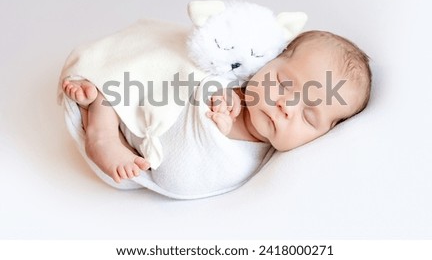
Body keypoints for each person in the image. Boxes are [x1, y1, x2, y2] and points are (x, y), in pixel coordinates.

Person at [62, 30, 371, 184]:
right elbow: (185, 77)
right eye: (283, 84)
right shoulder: (236, 88)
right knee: (131, 85)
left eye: (308, 115)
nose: (286, 106)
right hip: (151, 101)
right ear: (268, 63)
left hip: (150, 146)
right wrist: (227, 97)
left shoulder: (259, 164)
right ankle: (101, 129)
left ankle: (100, 104)